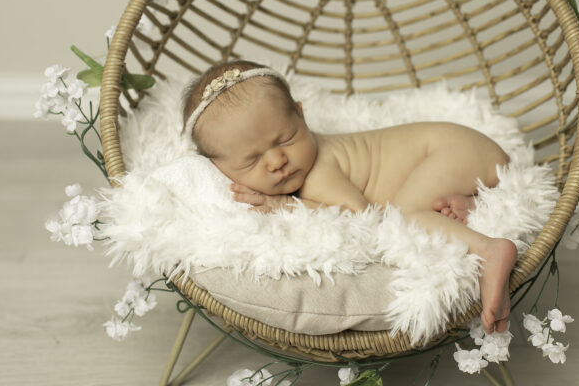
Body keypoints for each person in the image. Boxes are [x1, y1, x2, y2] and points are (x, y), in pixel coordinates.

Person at [182, 60, 518, 335]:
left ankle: (490, 249)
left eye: (286, 139)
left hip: (454, 150)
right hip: (466, 156)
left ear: (301, 114)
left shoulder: (319, 170)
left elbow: (358, 214)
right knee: (422, 201)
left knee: (409, 213)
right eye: (252, 161)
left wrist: (283, 206)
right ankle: (470, 202)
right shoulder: (291, 160)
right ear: (219, 168)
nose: (277, 161)